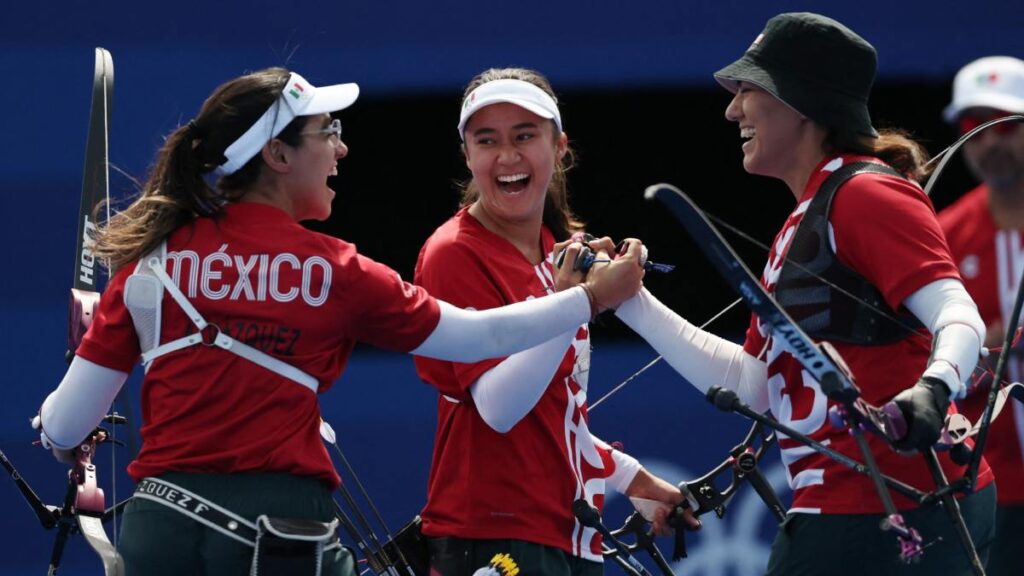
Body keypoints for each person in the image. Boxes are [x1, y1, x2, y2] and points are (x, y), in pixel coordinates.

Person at [31, 67, 646, 576]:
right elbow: (480, 335)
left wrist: (62, 436)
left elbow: (64, 425)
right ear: (276, 154)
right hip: (284, 539)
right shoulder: (335, 271)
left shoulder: (151, 263)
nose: (342, 148)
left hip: (158, 536)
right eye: (330, 132)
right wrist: (588, 301)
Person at [610, 13, 996, 575]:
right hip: (846, 514)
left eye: (749, 89)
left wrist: (933, 389)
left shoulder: (865, 194)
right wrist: (629, 302)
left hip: (894, 512)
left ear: (803, 101)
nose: (732, 109)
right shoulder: (806, 217)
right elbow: (754, 385)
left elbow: (957, 314)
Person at [413, 68, 695, 576]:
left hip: (563, 534)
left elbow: (553, 419)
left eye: (524, 136)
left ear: (560, 146)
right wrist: (581, 301)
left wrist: (633, 479)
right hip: (494, 538)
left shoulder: (553, 253)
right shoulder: (452, 254)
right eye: (487, 141)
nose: (507, 156)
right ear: (467, 156)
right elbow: (499, 408)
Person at [938, 55, 1024, 576]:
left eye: (1007, 124)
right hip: (991, 482)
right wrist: (994, 343)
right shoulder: (942, 235)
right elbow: (922, 358)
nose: (989, 142)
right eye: (975, 126)